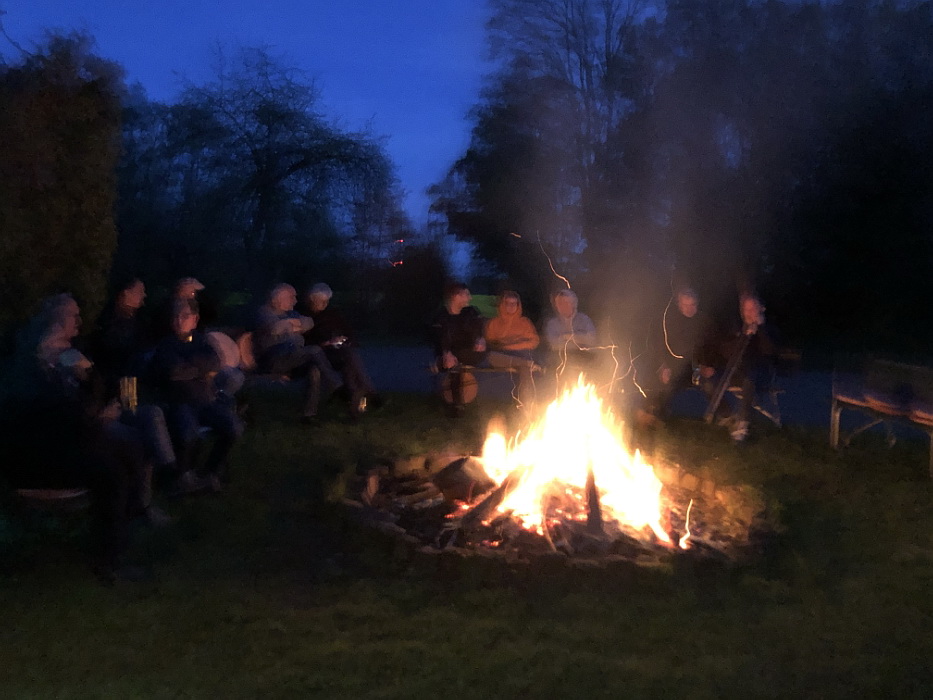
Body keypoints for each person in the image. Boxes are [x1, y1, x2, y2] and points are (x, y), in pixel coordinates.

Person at [1, 294, 166, 581]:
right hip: (33, 460)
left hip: (49, 446)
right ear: (55, 322)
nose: (79, 322)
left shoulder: (48, 359)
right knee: (112, 471)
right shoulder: (40, 365)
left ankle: (125, 529)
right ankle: (108, 562)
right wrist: (94, 399)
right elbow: (66, 416)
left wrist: (91, 393)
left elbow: (72, 417)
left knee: (127, 448)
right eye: (73, 316)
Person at [149, 299, 243, 490]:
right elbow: (173, 372)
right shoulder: (166, 344)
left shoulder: (201, 340)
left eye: (184, 316)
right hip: (180, 401)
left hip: (206, 401)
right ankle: (182, 478)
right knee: (188, 432)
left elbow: (215, 362)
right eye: (175, 316)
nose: (179, 320)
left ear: (195, 319)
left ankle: (210, 471)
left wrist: (190, 368)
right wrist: (201, 370)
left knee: (233, 427)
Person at [253, 283, 343, 423]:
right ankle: (336, 386)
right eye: (291, 297)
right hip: (273, 360)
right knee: (314, 350)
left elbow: (309, 322)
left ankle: (308, 415)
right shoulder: (264, 313)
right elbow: (274, 329)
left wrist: (288, 325)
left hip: (293, 358)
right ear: (278, 299)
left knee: (314, 369)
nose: (295, 301)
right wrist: (293, 325)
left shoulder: (290, 313)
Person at [301, 283, 382, 420]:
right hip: (317, 355)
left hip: (335, 353)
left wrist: (345, 340)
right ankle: (370, 394)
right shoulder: (305, 317)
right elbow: (304, 343)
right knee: (320, 370)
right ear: (312, 299)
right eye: (322, 301)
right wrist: (325, 343)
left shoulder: (332, 314)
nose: (325, 304)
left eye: (327, 301)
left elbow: (348, 331)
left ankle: (358, 403)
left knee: (350, 358)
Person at [642, 288, 716, 422]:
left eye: (692, 305)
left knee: (710, 384)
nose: (689, 309)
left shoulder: (703, 322)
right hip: (674, 366)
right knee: (665, 382)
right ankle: (656, 412)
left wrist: (707, 365)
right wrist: (662, 366)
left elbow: (710, 346)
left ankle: (724, 416)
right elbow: (659, 345)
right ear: (679, 305)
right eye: (685, 305)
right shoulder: (670, 322)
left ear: (697, 304)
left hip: (696, 367)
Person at [714, 294, 779, 443]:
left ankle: (742, 424)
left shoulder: (770, 328)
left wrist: (761, 329)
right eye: (746, 309)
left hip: (763, 374)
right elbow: (727, 352)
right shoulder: (739, 329)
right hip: (740, 372)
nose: (749, 313)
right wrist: (744, 335)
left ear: (761, 308)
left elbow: (769, 351)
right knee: (711, 377)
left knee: (750, 377)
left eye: (753, 308)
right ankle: (726, 415)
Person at [429, 282, 487, 414]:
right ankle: (457, 405)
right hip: (451, 354)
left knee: (455, 358)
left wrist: (480, 338)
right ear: (456, 296)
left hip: (470, 353)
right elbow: (439, 337)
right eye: (466, 294)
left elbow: (479, 328)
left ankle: (440, 365)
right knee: (454, 363)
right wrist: (446, 352)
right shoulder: (441, 317)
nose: (470, 298)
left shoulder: (471, 312)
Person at [484, 290, 540, 409]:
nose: (511, 306)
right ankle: (527, 364)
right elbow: (491, 344)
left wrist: (508, 345)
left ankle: (527, 405)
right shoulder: (494, 323)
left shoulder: (524, 322)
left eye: (514, 304)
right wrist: (509, 345)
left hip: (520, 354)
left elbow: (534, 342)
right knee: (492, 356)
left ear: (518, 305)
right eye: (508, 303)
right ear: (502, 305)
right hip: (502, 357)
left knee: (525, 367)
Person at [543, 288, 598, 379]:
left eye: (566, 302)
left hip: (584, 356)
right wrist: (579, 339)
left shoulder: (584, 320)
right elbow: (554, 345)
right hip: (561, 357)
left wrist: (566, 337)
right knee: (553, 364)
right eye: (559, 303)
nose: (562, 306)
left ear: (573, 304)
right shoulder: (552, 324)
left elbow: (592, 340)